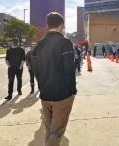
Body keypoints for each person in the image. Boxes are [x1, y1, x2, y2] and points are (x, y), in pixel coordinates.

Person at [33, 12, 77, 145]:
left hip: (45, 93)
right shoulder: (65, 42)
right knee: (57, 132)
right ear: (62, 26)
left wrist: (41, 87)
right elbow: (69, 69)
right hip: (62, 94)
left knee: (49, 130)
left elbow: (36, 70)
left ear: (47, 25)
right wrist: (72, 90)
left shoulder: (39, 44)